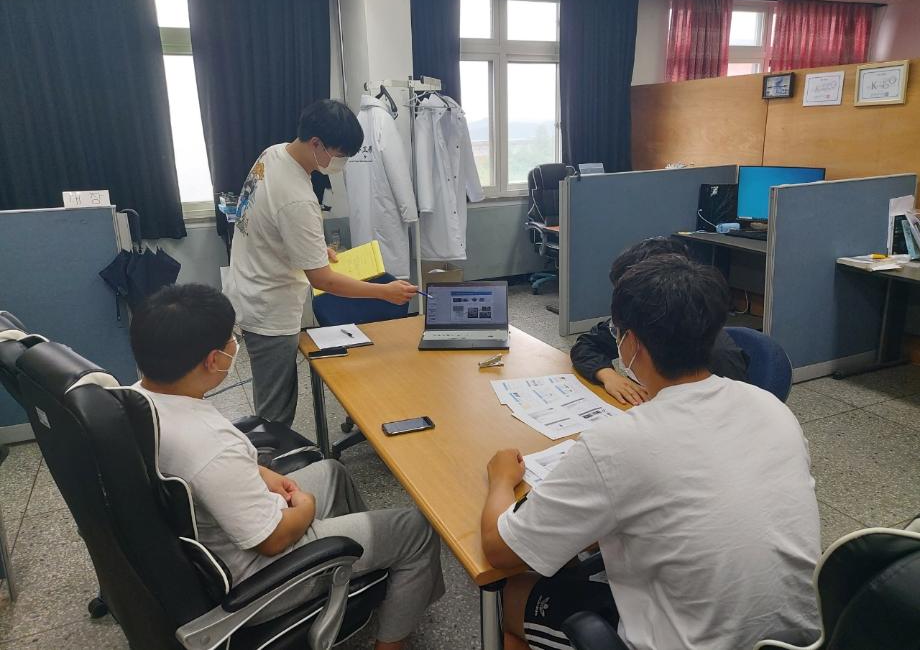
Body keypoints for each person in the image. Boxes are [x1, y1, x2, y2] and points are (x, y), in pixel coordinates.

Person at [481, 254, 820, 650]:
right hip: (799, 638)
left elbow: (501, 551)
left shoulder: (617, 444)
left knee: (512, 594)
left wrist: (501, 480)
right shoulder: (772, 408)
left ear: (631, 344)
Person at [131, 284, 444, 649]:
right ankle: (389, 639)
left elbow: (215, 473)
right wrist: (305, 507)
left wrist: (262, 473)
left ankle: (366, 577)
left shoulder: (135, 399)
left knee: (332, 472)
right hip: (260, 575)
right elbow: (273, 540)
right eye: (232, 339)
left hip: (222, 527)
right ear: (213, 360)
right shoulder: (210, 445)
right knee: (417, 529)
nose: (235, 344)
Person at [223, 99, 417, 427]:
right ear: (316, 143)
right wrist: (385, 292)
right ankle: (273, 456)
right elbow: (323, 281)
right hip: (269, 308)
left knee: (270, 399)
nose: (340, 163)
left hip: (249, 286)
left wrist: (310, 248)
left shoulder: (273, 153)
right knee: (275, 411)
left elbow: (263, 220)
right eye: (339, 155)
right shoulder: (297, 198)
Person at [570, 236, 749, 406]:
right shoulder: (640, 321)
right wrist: (608, 375)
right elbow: (587, 345)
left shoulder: (717, 355)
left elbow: (728, 412)